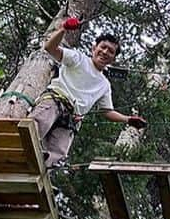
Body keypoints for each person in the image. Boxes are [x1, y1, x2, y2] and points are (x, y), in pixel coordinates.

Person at [30, 17, 146, 168]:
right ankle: (16, 149)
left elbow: (107, 111)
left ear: (113, 59)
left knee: (57, 154)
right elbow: (50, 48)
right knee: (36, 126)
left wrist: (128, 120)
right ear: (94, 48)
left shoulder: (104, 85)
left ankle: (41, 171)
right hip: (55, 101)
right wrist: (64, 28)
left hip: (71, 119)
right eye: (103, 47)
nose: (105, 52)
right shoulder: (79, 59)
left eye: (110, 51)